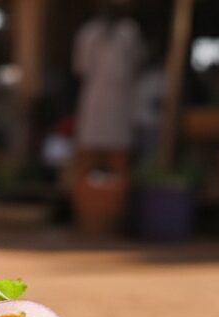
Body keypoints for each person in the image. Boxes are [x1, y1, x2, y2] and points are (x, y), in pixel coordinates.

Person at [70, 1, 145, 183]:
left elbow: (137, 64)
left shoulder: (129, 32)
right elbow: (81, 67)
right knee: (91, 146)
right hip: (95, 97)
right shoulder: (89, 32)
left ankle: (114, 193)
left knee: (118, 148)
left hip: (121, 100)